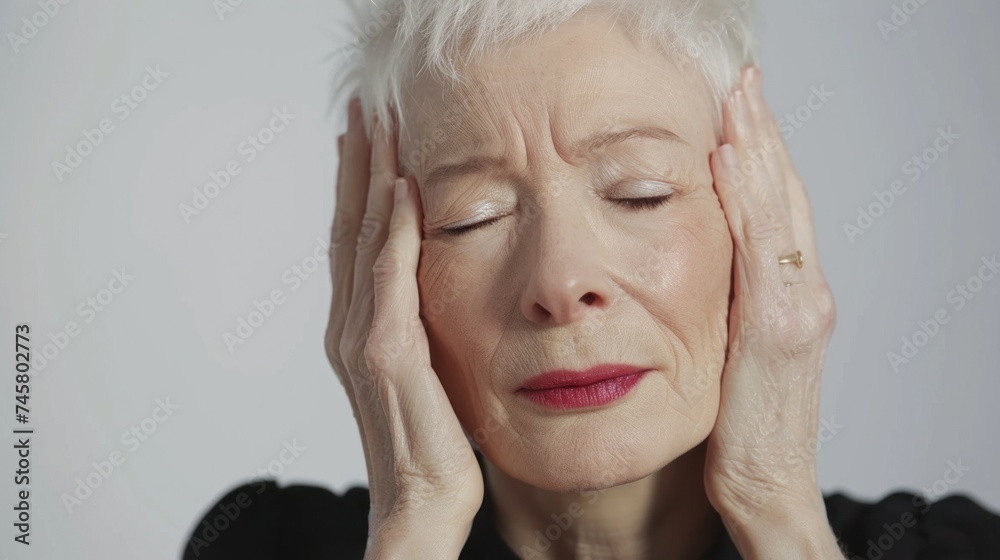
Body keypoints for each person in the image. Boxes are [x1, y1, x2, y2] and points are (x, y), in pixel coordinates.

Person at [184, 1, 1000, 558]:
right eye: (473, 216)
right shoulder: (265, 543)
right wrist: (415, 523)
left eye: (637, 191)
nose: (562, 282)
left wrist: (778, 509)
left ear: (761, 211)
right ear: (376, 262)